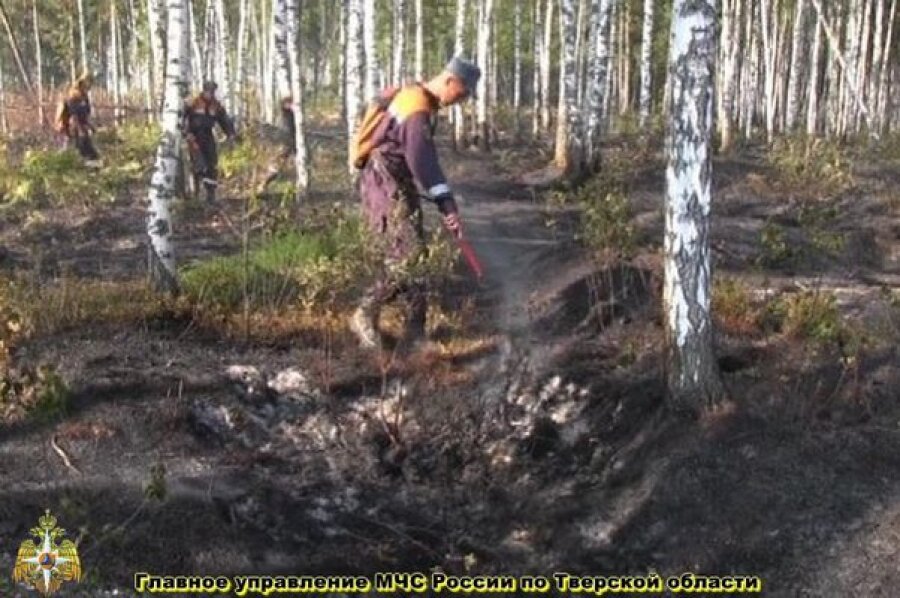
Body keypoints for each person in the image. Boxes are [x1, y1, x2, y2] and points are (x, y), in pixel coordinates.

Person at [349, 56, 480, 352]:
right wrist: (446, 203)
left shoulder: (418, 98)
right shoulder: (416, 107)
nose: (461, 100)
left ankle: (415, 332)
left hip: (394, 182)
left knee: (415, 254)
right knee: (407, 257)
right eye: (462, 93)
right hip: (385, 184)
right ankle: (364, 314)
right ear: (450, 81)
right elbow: (422, 162)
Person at [182, 80, 236, 202]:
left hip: (208, 136)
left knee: (212, 164)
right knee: (198, 165)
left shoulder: (215, 105)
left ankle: (211, 195)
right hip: (194, 137)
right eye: (209, 91)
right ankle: (195, 193)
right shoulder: (193, 103)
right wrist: (186, 133)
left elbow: (224, 120)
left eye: (213, 91)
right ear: (204, 90)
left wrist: (230, 133)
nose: (210, 94)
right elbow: (182, 118)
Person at [55, 72, 101, 166]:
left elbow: (84, 115)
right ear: (84, 82)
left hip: (80, 128)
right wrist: (80, 130)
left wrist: (91, 127)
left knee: (88, 152)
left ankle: (87, 166)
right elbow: (73, 115)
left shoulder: (84, 96)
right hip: (69, 128)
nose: (90, 86)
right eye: (89, 83)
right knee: (74, 149)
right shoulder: (74, 95)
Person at [258, 96, 296, 193]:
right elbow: (286, 130)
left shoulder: (293, 115)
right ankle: (263, 185)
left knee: (300, 163)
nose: (292, 105)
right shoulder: (285, 115)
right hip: (286, 142)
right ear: (285, 105)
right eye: (289, 103)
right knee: (277, 166)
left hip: (293, 142)